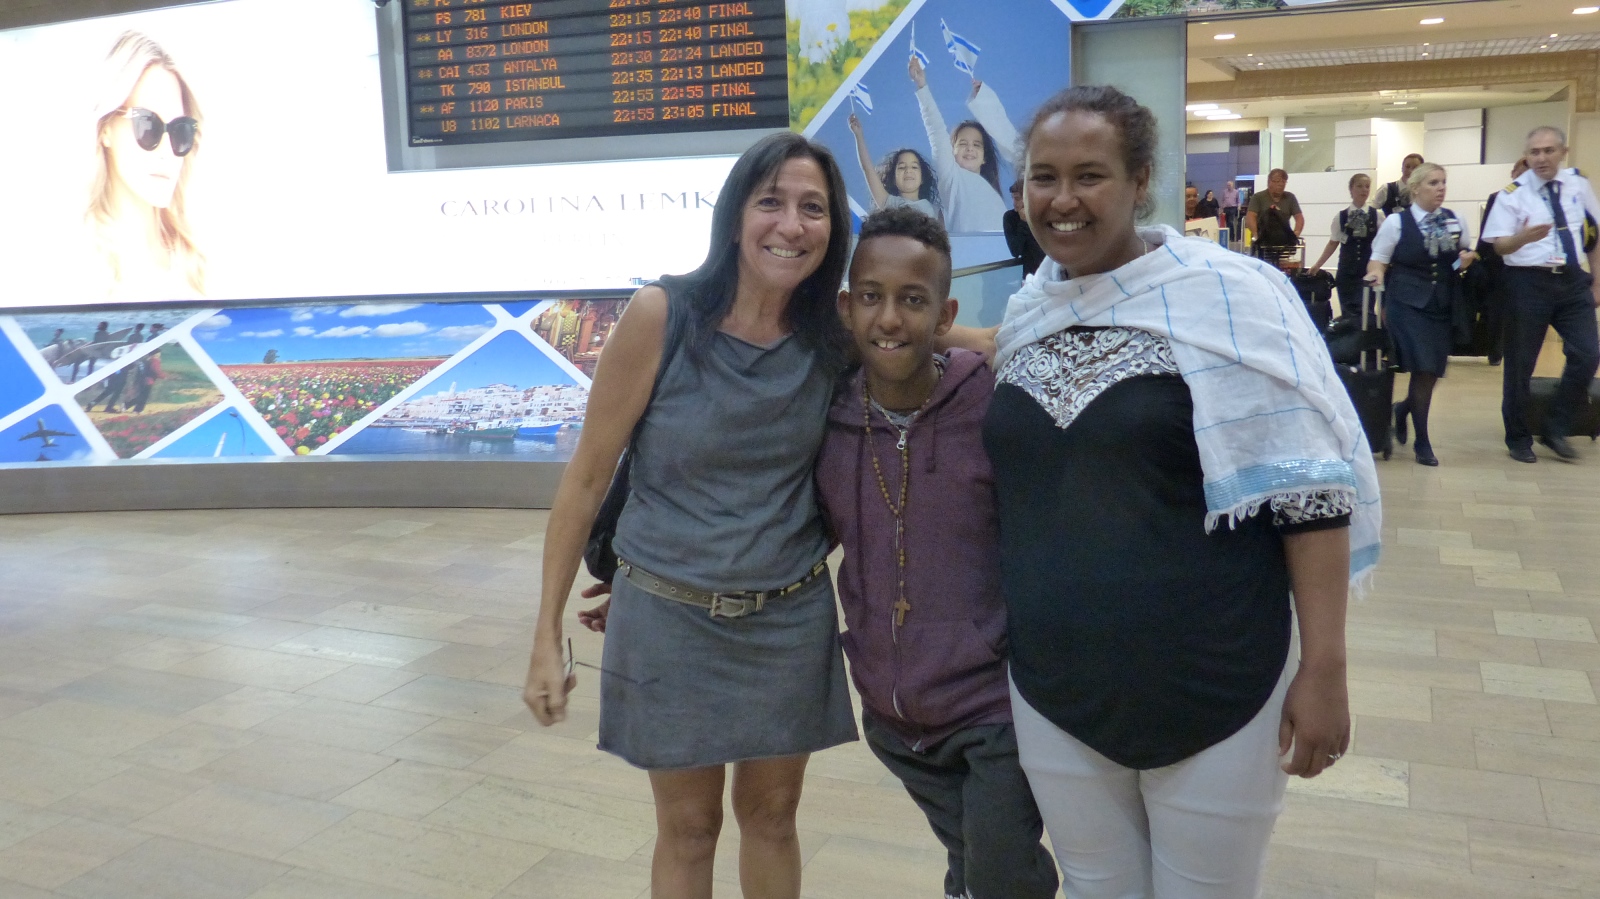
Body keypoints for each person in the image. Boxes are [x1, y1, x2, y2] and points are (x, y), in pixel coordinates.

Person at [984, 84, 1378, 898]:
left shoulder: (1230, 297)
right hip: (1056, 680)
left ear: (1139, 184)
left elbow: (1311, 498)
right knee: (1096, 887)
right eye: (1042, 177)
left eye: (1089, 175)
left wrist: (1326, 669)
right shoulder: (1028, 313)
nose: (1061, 200)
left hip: (1216, 673)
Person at [521, 132, 859, 899]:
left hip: (787, 614)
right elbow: (586, 478)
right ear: (735, 217)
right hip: (670, 618)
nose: (790, 224)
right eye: (770, 201)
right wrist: (544, 633)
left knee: (773, 815)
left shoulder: (832, 339)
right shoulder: (661, 315)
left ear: (833, 229)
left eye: (812, 208)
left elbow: (934, 338)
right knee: (690, 827)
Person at [816, 206, 1058, 899]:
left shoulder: (993, 403)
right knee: (975, 860)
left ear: (945, 311)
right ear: (847, 306)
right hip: (892, 716)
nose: (889, 318)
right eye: (872, 297)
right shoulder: (828, 418)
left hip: (993, 707)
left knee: (1001, 873)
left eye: (913, 300)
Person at [1482, 126, 1600, 463]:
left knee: (1588, 353)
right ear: (1526, 156)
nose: (1541, 158)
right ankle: (1518, 437)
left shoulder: (1578, 184)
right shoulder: (1512, 194)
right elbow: (1501, 247)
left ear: (1563, 152)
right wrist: (1524, 238)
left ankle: (1555, 425)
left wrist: (1597, 282)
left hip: (1572, 280)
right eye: (1534, 152)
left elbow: (1594, 236)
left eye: (1549, 151)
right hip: (1527, 282)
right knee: (1521, 364)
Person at [1365, 163, 1477, 467]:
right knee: (1423, 367)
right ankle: (1422, 441)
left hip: (1442, 305)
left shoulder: (1455, 222)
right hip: (1406, 305)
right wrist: (1375, 276)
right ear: (1415, 189)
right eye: (1433, 183)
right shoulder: (1397, 223)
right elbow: (1379, 261)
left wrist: (1464, 263)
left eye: (1443, 182)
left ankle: (1404, 410)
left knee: (1432, 371)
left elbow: (1453, 264)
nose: (1440, 188)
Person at [88, 32, 205, 302]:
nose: (167, 150)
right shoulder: (75, 260)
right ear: (105, 128)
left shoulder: (198, 264)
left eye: (180, 130)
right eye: (148, 125)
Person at [909, 56, 1007, 232]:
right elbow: (936, 130)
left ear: (985, 157)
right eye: (963, 143)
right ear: (951, 151)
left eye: (977, 145)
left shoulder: (994, 195)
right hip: (971, 258)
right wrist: (922, 87)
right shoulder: (951, 178)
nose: (970, 148)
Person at [1476, 158, 1530, 366]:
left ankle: (1514, 348)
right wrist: (1480, 257)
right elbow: (1486, 233)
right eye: (1520, 172)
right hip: (1498, 263)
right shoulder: (1498, 198)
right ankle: (1495, 349)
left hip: (1525, 264)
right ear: (1513, 173)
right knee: (1496, 309)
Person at [1308, 173, 1384, 318]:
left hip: (1368, 272)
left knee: (1365, 313)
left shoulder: (1377, 216)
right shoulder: (1341, 216)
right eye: (1359, 186)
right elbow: (1333, 242)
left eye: (1367, 186)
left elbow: (1384, 243)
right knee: (1347, 314)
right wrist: (1317, 265)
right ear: (1351, 189)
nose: (1364, 190)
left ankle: (1365, 340)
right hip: (1346, 273)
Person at [847, 113, 942, 221]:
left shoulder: (933, 209)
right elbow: (867, 168)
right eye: (902, 167)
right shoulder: (890, 203)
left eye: (914, 167)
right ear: (893, 178)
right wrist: (858, 135)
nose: (908, 171)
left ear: (923, 178)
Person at [1245, 168, 1304, 263]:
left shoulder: (1290, 198)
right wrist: (1256, 234)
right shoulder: (1258, 197)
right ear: (1269, 182)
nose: (1280, 185)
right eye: (1277, 181)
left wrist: (1296, 233)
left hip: (1283, 242)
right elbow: (1251, 217)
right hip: (1263, 241)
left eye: (1283, 182)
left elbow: (1299, 217)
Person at [1003, 180, 1045, 277]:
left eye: (1017, 199)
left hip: (1050, 271)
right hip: (1030, 275)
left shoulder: (1040, 214)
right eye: (1012, 198)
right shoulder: (1010, 217)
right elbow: (1015, 251)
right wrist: (1023, 222)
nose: (1014, 203)